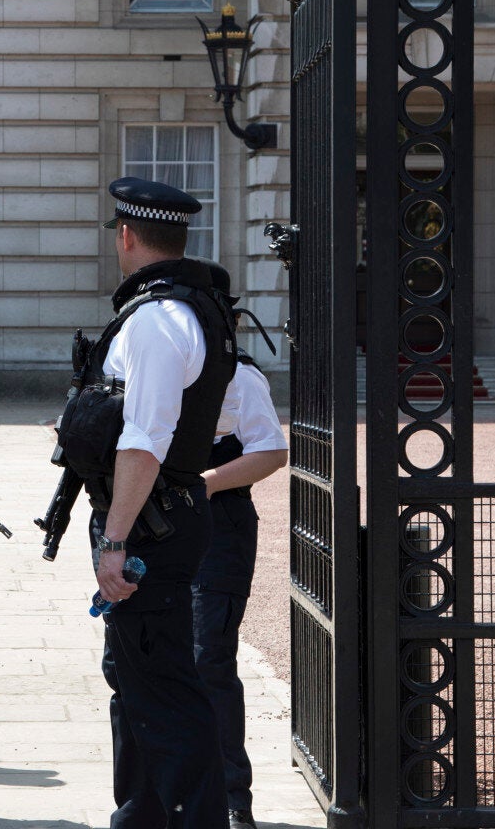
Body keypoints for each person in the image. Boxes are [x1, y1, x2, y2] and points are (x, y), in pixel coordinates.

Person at [61, 177, 236, 829]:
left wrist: (115, 540)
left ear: (127, 236)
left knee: (164, 692)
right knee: (133, 679)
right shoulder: (194, 311)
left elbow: (145, 440)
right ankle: (140, 817)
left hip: (150, 526)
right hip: (165, 515)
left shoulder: (157, 321)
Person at [194, 337, 289, 829]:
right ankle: (166, 793)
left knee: (208, 657)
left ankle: (233, 798)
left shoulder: (240, 376)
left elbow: (272, 451)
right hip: (148, 523)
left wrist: (204, 483)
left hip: (218, 524)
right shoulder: (144, 360)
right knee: (140, 660)